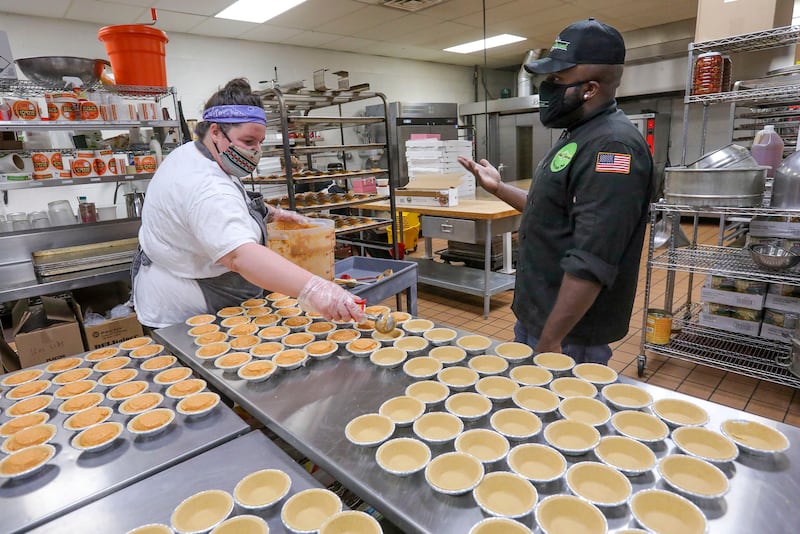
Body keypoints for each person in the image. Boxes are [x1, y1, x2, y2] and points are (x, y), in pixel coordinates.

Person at [459, 18, 654, 365]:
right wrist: (499, 187)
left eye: (556, 80)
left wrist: (551, 340)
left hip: (569, 333)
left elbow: (592, 260)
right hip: (542, 315)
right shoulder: (580, 131)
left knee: (563, 416)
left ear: (590, 88)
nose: (546, 88)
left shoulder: (613, 148)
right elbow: (553, 211)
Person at [132, 78, 364, 328]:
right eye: (248, 142)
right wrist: (316, 289)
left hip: (194, 282)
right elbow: (240, 256)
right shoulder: (205, 186)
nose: (256, 152)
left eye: (260, 142)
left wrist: (272, 213)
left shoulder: (196, 153)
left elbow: (222, 209)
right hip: (186, 310)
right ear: (216, 132)